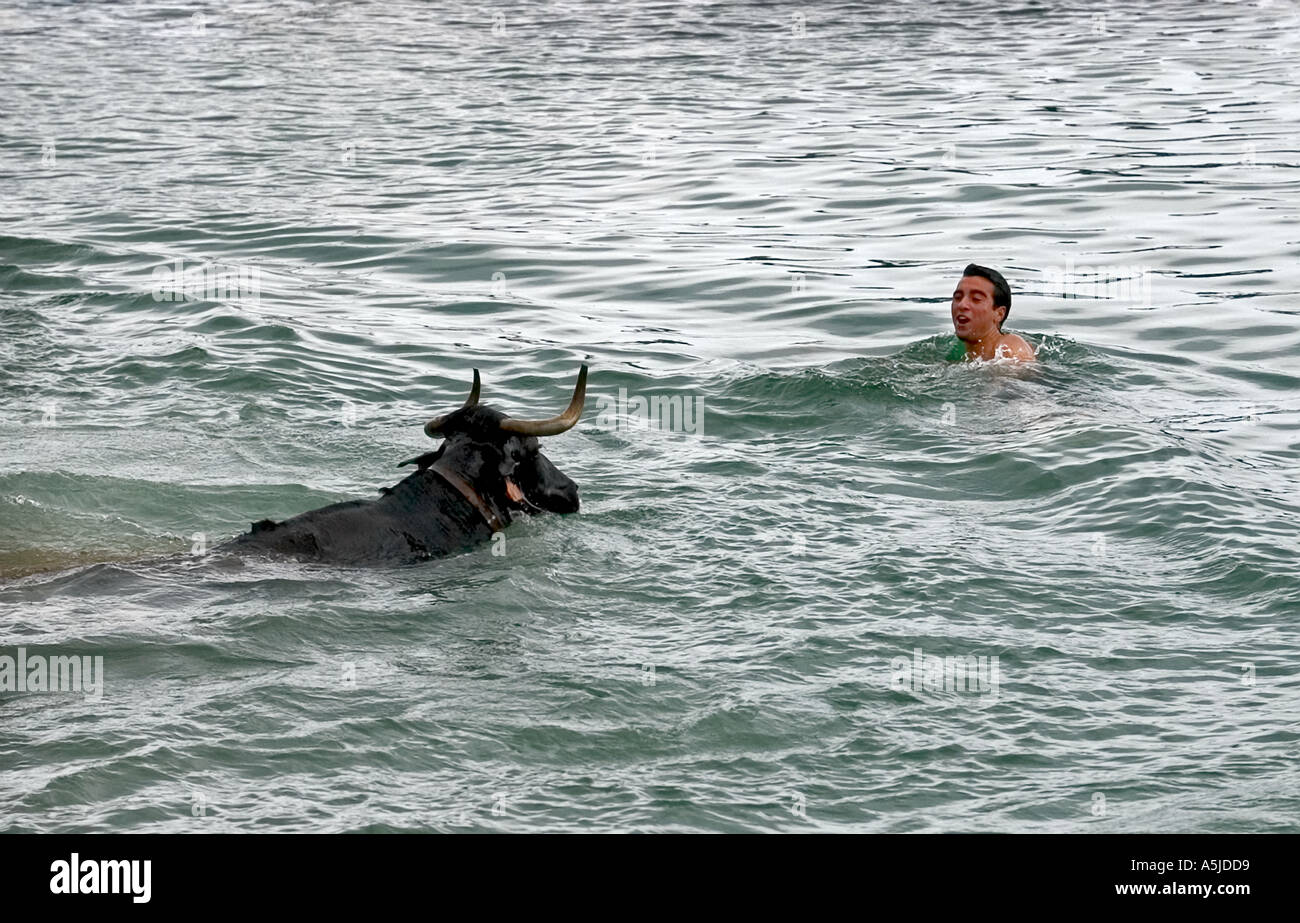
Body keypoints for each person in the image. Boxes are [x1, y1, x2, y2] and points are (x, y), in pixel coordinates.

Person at [949, 264, 1035, 361]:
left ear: (999, 314)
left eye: (976, 299)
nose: (961, 305)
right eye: (958, 298)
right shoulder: (956, 352)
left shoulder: (1010, 347)